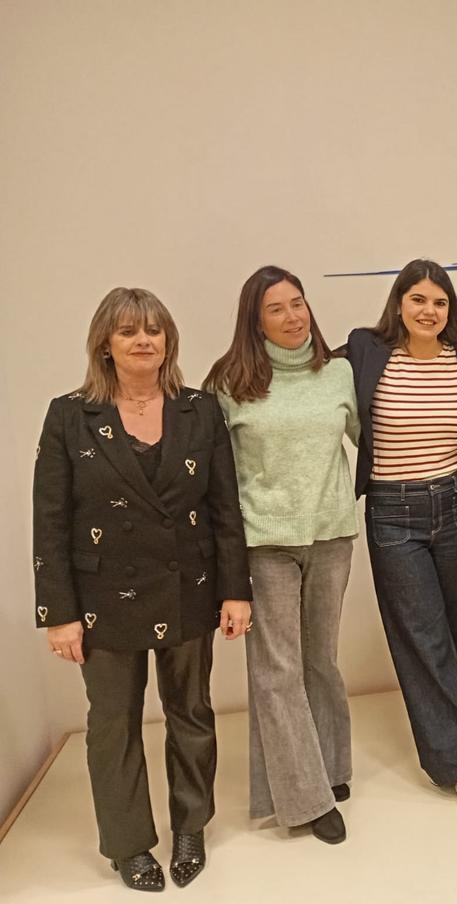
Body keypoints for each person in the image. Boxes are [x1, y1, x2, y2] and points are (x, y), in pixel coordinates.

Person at [32, 288, 252, 891]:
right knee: (113, 723)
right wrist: (58, 612)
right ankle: (128, 845)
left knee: (191, 713)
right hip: (103, 598)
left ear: (168, 340)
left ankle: (191, 827)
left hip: (189, 586)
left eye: (154, 330)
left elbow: (225, 508)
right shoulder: (69, 414)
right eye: (129, 331)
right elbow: (50, 520)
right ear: (105, 343)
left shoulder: (200, 409)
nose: (143, 340)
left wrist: (235, 591)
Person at [341, 259, 457, 815]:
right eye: (418, 300)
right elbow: (303, 370)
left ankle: (454, 741)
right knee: (423, 639)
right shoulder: (366, 349)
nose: (429, 311)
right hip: (393, 512)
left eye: (439, 302)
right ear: (399, 303)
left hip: (455, 504)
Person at [204, 266, 358, 844]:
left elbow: (374, 438)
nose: (293, 317)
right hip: (265, 543)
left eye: (298, 303)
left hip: (331, 536)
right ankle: (305, 799)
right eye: (276, 308)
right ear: (255, 320)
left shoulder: (339, 372)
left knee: (321, 662)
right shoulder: (229, 383)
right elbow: (217, 481)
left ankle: (330, 767)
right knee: (278, 672)